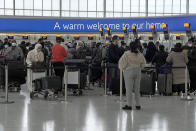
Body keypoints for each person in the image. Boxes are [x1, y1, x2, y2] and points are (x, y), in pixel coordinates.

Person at [119, 41, 146, 110]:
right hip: (138, 71)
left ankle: (129, 105)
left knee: (129, 89)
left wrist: (123, 68)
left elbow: (122, 63)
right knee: (137, 89)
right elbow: (143, 64)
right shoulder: (140, 54)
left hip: (129, 71)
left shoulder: (127, 54)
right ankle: (138, 104)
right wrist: (139, 67)